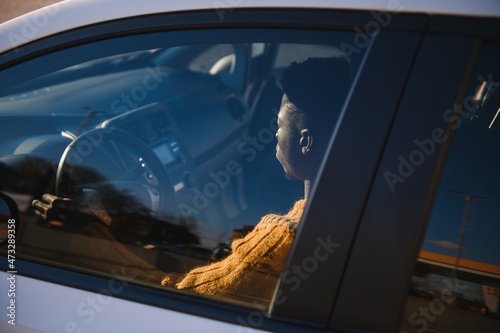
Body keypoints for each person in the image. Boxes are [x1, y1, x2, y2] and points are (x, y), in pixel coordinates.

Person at [32, 56, 351, 305]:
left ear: (306, 142)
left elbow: (174, 296)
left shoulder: (279, 244)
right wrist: (146, 231)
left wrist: (85, 234)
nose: (275, 133)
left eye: (280, 125)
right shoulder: (351, 208)